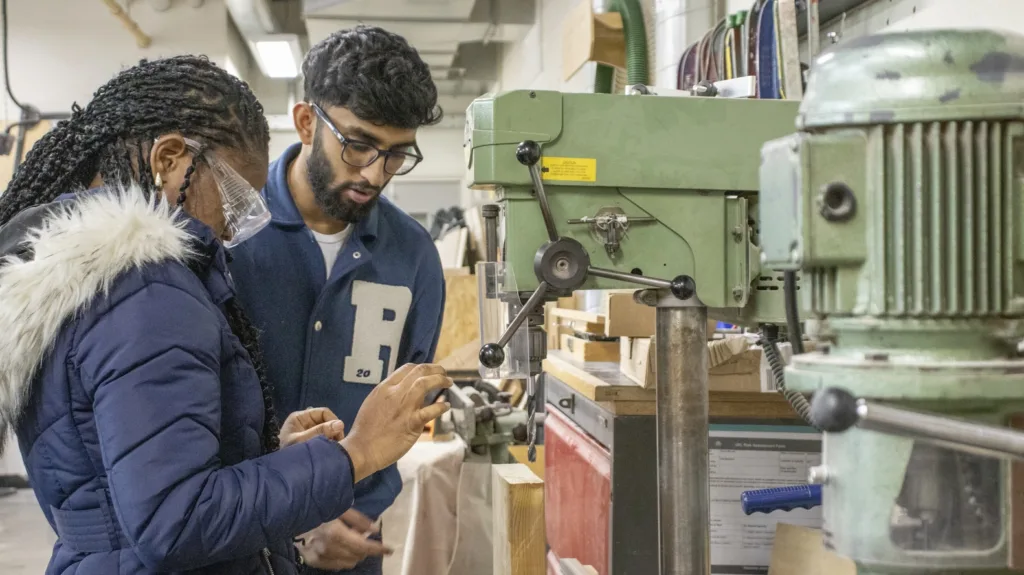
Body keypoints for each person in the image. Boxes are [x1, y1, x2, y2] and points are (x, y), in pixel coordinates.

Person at [0, 55, 450, 575]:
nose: (235, 232)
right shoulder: (146, 291)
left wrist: (269, 455)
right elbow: (177, 520)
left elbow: (140, 468)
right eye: (236, 200)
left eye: (394, 155)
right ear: (169, 159)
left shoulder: (95, 279)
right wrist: (355, 455)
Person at [227, 26, 446, 574]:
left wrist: (345, 514)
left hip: (349, 549)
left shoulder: (413, 256)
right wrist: (293, 515)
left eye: (396, 155)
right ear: (307, 122)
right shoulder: (230, 234)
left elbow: (404, 408)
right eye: (358, 144)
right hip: (233, 546)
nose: (375, 173)